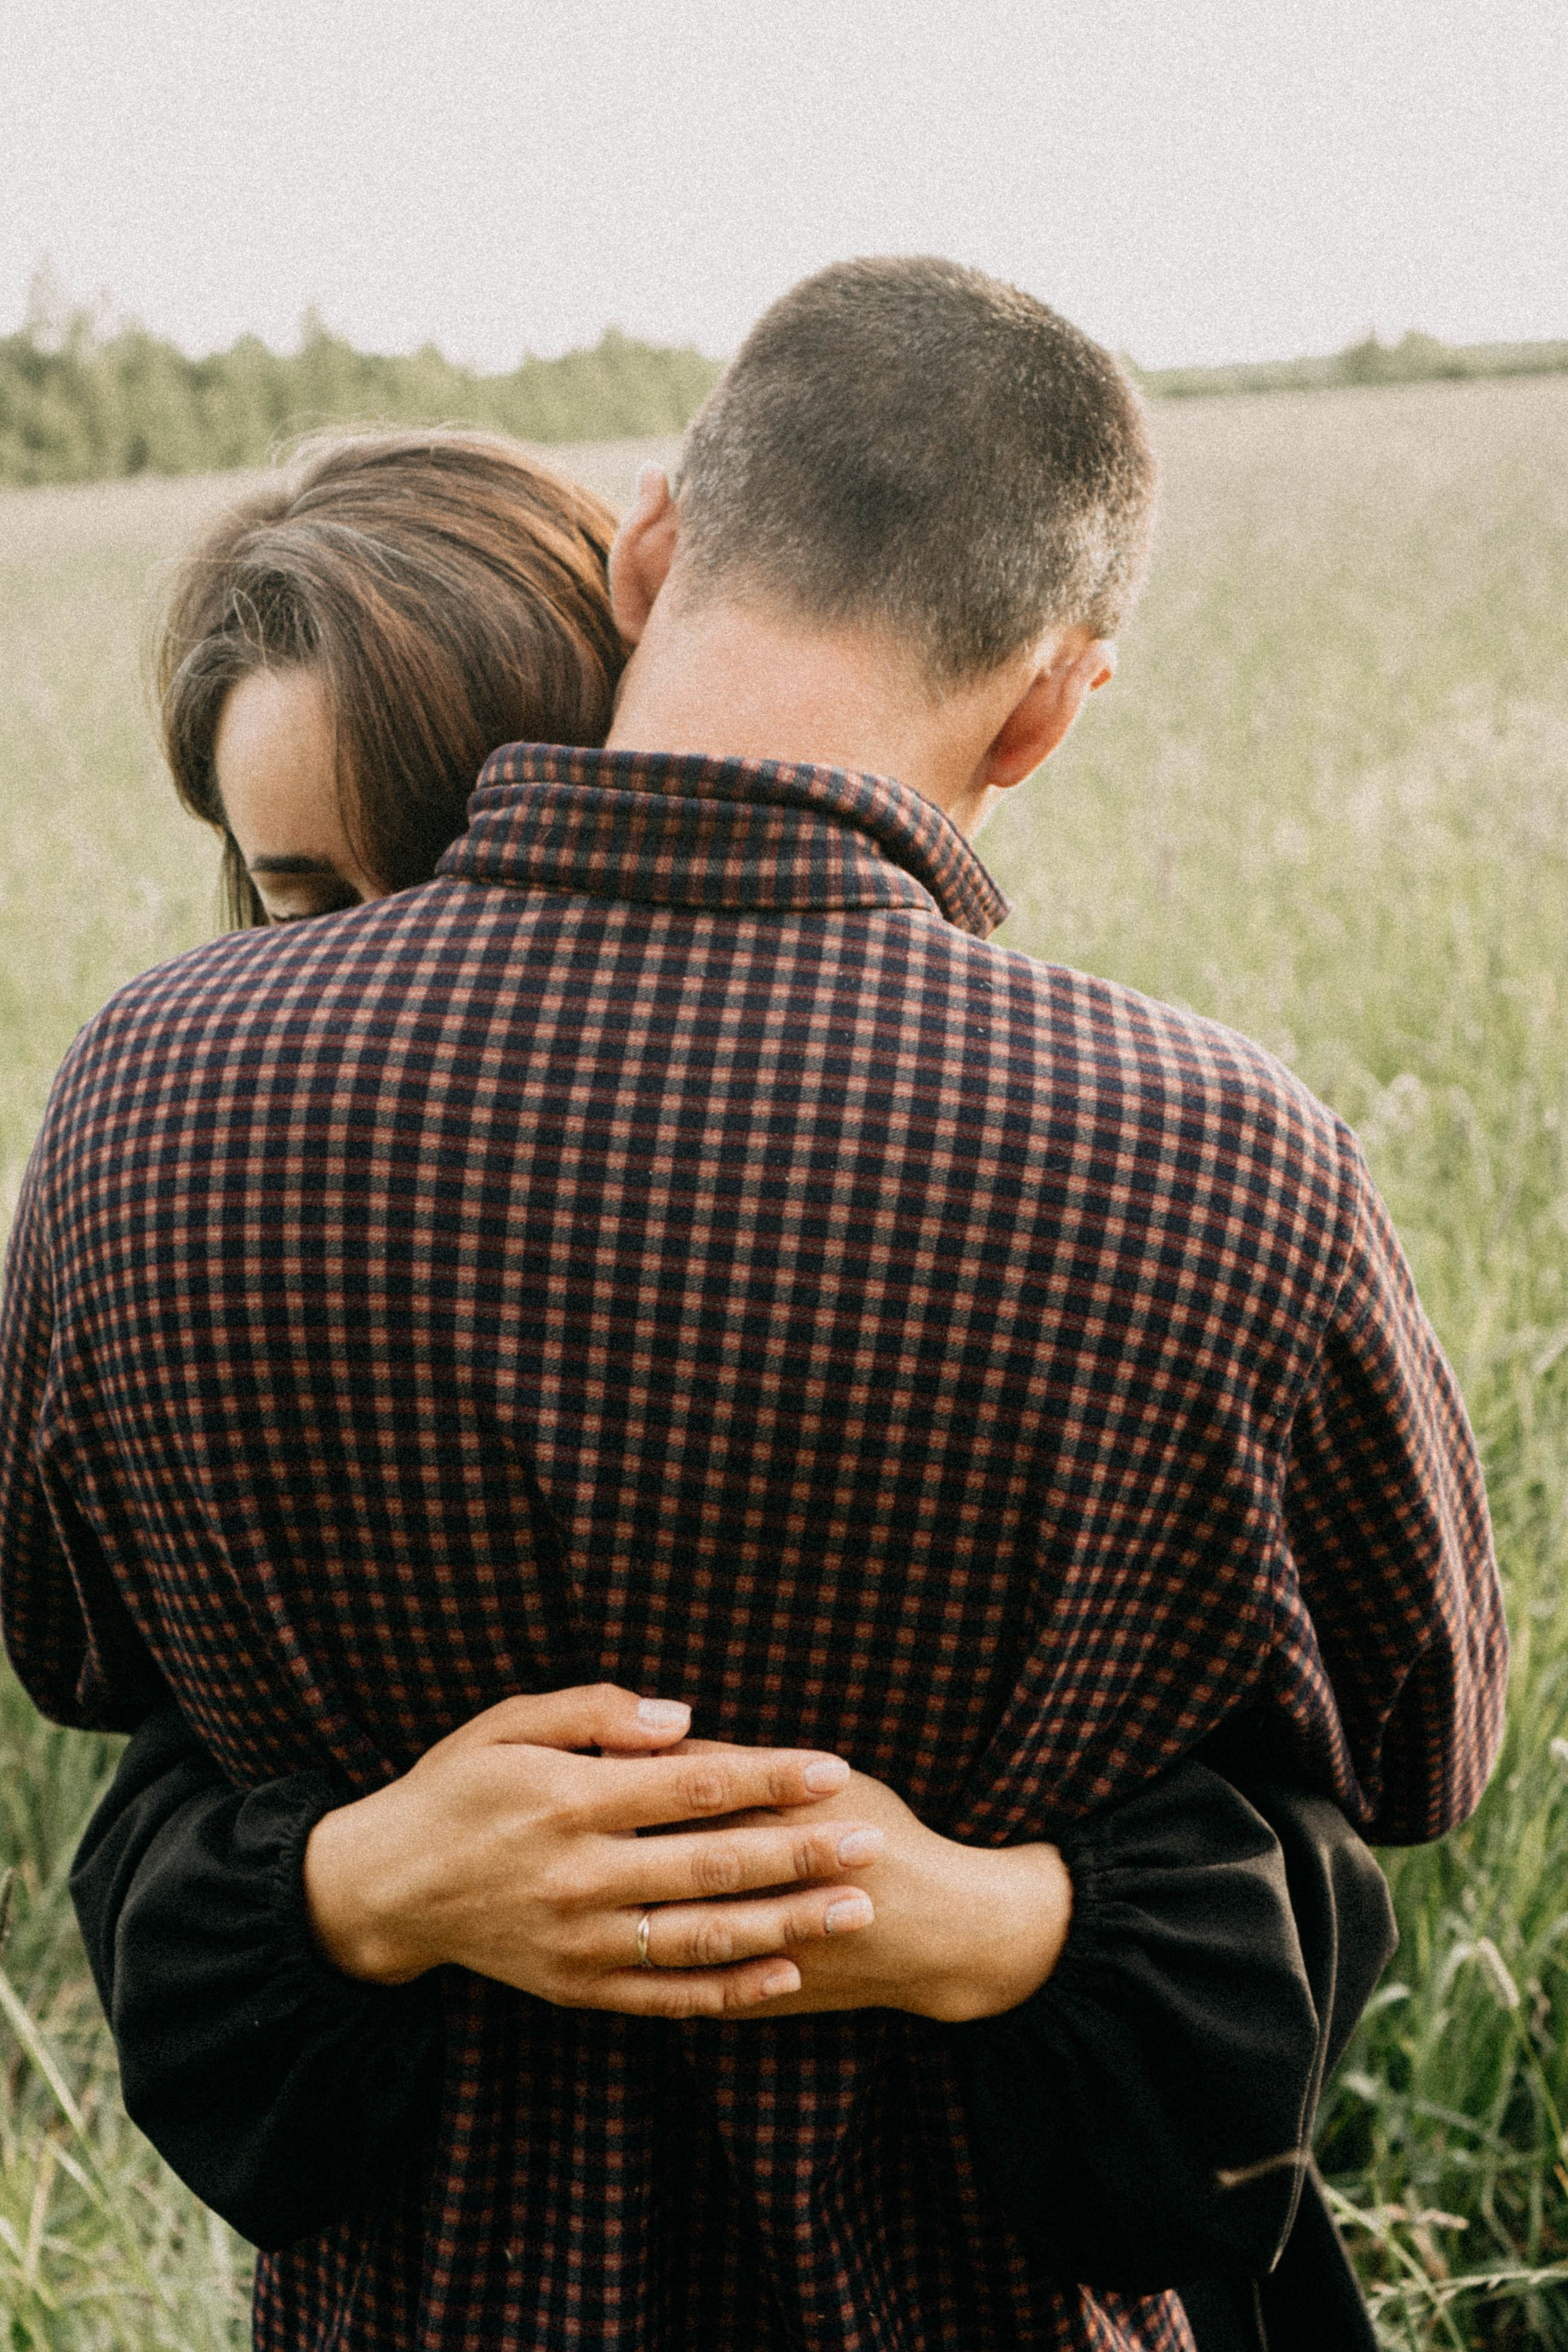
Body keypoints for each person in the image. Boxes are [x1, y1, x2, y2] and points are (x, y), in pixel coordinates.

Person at [0, 260, 1506, 2352]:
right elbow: (1428, 1748)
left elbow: (85, 1657)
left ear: (649, 548)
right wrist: (1002, 1904)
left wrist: (373, 1850)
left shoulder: (148, 1089)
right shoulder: (1220, 1153)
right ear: (1056, 701)